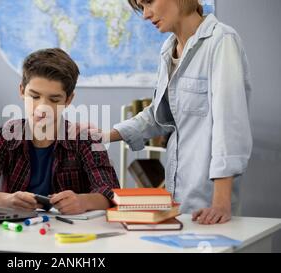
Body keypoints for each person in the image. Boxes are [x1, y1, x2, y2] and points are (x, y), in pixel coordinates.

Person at [99, 0, 252, 225]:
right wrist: (105, 135)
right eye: (141, 7)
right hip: (176, 198)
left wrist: (220, 202)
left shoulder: (221, 41)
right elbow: (160, 116)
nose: (145, 15)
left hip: (208, 202)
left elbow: (229, 122)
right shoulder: (168, 49)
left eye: (149, 2)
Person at [0, 48, 120, 215]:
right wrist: (6, 200)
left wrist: (83, 201)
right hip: (18, 231)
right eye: (35, 96)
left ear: (68, 100)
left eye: (54, 99)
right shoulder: (2, 138)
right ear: (22, 91)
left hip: (71, 235)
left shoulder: (86, 140)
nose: (42, 108)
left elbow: (112, 193)